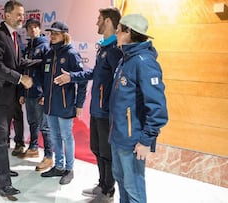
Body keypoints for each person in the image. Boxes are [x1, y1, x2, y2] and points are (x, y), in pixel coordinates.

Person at [54, 8, 122, 202]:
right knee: (97, 149)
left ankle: (108, 190)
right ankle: (102, 184)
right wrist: (71, 77)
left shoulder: (115, 50)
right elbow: (93, 73)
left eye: (99, 19)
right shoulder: (104, 48)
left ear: (108, 22)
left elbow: (120, 82)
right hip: (97, 110)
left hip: (106, 111)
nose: (96, 23)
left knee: (106, 153)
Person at [109, 14, 168, 203]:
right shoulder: (125, 59)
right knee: (121, 180)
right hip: (118, 136)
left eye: (119, 28)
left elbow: (157, 108)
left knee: (134, 188)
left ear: (128, 32)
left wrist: (146, 141)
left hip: (133, 140)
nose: (116, 32)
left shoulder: (144, 62)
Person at [0, 0, 33, 198]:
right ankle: (4, 184)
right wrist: (21, 78)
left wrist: (43, 59)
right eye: (19, 14)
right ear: (7, 15)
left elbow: (18, 62)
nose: (22, 18)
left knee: (1, 138)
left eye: (23, 14)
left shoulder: (14, 36)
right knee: (1, 140)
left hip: (9, 96)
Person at [40, 21, 88, 185]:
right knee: (55, 136)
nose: (52, 36)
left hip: (66, 105)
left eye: (56, 33)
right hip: (50, 105)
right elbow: (45, 78)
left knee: (67, 137)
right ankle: (59, 166)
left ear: (64, 35)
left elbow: (82, 80)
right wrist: (43, 95)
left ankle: (69, 169)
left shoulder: (71, 54)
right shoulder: (49, 53)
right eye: (51, 33)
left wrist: (79, 104)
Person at [18, 18, 53, 171]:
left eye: (35, 27)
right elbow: (23, 71)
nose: (32, 30)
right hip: (28, 92)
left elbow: (48, 73)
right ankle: (33, 147)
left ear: (40, 29)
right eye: (29, 28)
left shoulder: (45, 46)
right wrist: (22, 92)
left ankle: (49, 157)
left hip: (39, 93)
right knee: (32, 122)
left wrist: (46, 93)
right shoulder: (27, 48)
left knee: (44, 127)